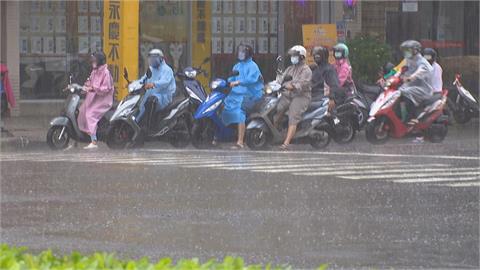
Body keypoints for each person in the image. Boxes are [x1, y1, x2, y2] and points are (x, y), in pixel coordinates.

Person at [222, 44, 264, 149]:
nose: (240, 54)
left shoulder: (253, 66)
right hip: (237, 94)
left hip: (252, 96)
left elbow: (251, 80)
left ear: (248, 54)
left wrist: (238, 82)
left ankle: (240, 141)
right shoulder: (237, 66)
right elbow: (231, 78)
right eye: (239, 52)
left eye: (243, 52)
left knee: (240, 109)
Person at [273, 45, 312, 150]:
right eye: (292, 56)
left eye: (295, 56)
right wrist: (274, 84)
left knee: (293, 116)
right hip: (287, 95)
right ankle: (276, 134)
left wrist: (293, 86)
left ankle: (286, 143)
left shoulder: (306, 70)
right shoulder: (290, 68)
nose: (293, 58)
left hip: (301, 96)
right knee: (277, 109)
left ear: (302, 57)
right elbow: (281, 79)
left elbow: (302, 84)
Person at [77, 52, 114, 149]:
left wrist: (94, 88)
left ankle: (94, 141)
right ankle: (83, 137)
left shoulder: (106, 73)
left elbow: (106, 89)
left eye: (95, 60)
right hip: (94, 99)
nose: (93, 62)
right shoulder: (94, 72)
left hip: (103, 100)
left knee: (90, 115)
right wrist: (84, 87)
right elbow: (89, 81)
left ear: (100, 61)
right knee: (82, 111)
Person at [135, 49, 176, 125]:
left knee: (151, 101)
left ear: (161, 58)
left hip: (163, 96)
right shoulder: (151, 69)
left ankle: (149, 126)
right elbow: (144, 79)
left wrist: (154, 84)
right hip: (149, 94)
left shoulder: (167, 70)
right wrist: (134, 84)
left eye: (155, 58)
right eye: (151, 58)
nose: (152, 60)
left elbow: (165, 82)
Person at [398, 40, 434, 126]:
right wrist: (387, 77)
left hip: (424, 89)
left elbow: (420, 72)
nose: (406, 52)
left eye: (408, 50)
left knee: (405, 92)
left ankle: (411, 117)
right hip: (410, 86)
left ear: (415, 50)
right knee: (396, 92)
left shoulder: (422, 62)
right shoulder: (407, 59)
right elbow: (398, 69)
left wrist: (411, 77)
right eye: (405, 50)